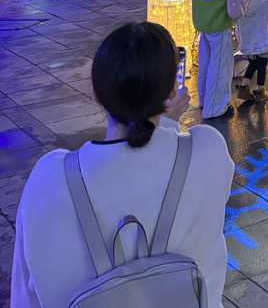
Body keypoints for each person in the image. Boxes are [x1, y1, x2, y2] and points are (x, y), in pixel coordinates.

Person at [11, 22, 233, 307]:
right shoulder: (207, 152)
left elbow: (24, 293)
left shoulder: (50, 180)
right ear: (171, 91)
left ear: (95, 91)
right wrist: (167, 123)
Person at [192, 0, 259, 119]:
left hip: (204, 22)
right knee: (220, 68)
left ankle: (204, 101)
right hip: (219, 24)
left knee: (206, 65)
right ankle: (215, 109)